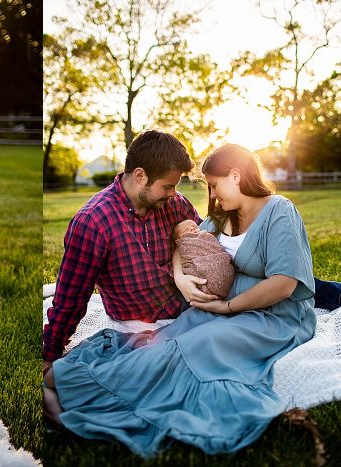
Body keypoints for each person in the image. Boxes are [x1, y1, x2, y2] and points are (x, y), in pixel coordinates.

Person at [44, 143, 317, 457]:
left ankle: (87, 397)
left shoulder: (279, 210)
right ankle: (76, 382)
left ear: (236, 176)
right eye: (208, 188)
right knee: (162, 341)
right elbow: (185, 240)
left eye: (213, 186)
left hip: (271, 316)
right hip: (220, 311)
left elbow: (284, 283)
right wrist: (180, 276)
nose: (210, 196)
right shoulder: (219, 216)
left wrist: (225, 307)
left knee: (197, 347)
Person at [42, 129, 341, 377]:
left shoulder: (173, 204)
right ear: (139, 176)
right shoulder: (94, 222)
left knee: (251, 269)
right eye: (168, 186)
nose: (175, 195)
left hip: (204, 303)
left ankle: (335, 292)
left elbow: (203, 243)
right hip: (157, 319)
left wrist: (187, 282)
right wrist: (50, 352)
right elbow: (71, 297)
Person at [172, 219, 234, 299]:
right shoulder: (184, 243)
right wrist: (178, 276)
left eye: (194, 226)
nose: (192, 229)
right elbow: (183, 250)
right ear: (178, 240)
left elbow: (214, 245)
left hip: (218, 263)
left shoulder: (204, 234)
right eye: (187, 230)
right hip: (195, 271)